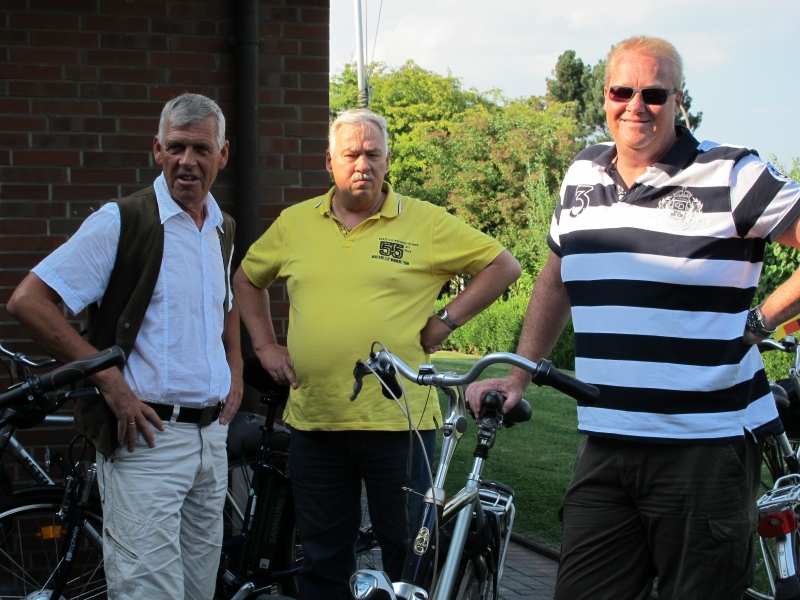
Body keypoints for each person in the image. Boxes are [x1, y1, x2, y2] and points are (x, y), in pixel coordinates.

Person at [467, 36, 800, 600]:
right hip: (607, 440)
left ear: (679, 100)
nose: (636, 105)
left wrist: (762, 320)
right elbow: (555, 278)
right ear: (605, 96)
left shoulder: (730, 172)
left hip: (704, 447)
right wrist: (519, 375)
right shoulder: (583, 171)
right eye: (622, 91)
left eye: (654, 93)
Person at [233, 108, 521, 599]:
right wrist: (263, 344)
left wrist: (445, 321)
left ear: (388, 161)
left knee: (409, 555)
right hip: (316, 422)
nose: (362, 164)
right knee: (322, 559)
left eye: (373, 154)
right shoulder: (295, 223)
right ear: (329, 161)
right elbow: (246, 278)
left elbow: (503, 265)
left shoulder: (424, 222)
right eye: (351, 154)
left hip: (402, 425)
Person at [7, 93, 243, 600]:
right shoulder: (122, 221)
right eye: (176, 147)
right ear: (157, 149)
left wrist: (236, 369)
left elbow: (225, 302)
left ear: (222, 155)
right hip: (147, 441)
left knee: (199, 592)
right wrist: (109, 381)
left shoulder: (221, 227)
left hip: (211, 441)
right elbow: (29, 301)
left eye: (201, 149)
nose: (187, 161)